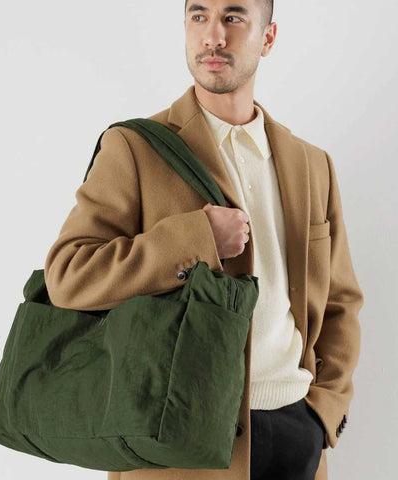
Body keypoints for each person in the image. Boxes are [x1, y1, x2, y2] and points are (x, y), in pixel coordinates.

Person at [44, 1, 364, 479]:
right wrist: (195, 239)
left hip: (296, 434)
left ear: (268, 38)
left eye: (233, 18)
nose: (213, 36)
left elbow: (340, 301)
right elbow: (68, 276)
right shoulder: (136, 147)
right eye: (199, 16)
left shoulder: (311, 164)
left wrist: (323, 411)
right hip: (177, 448)